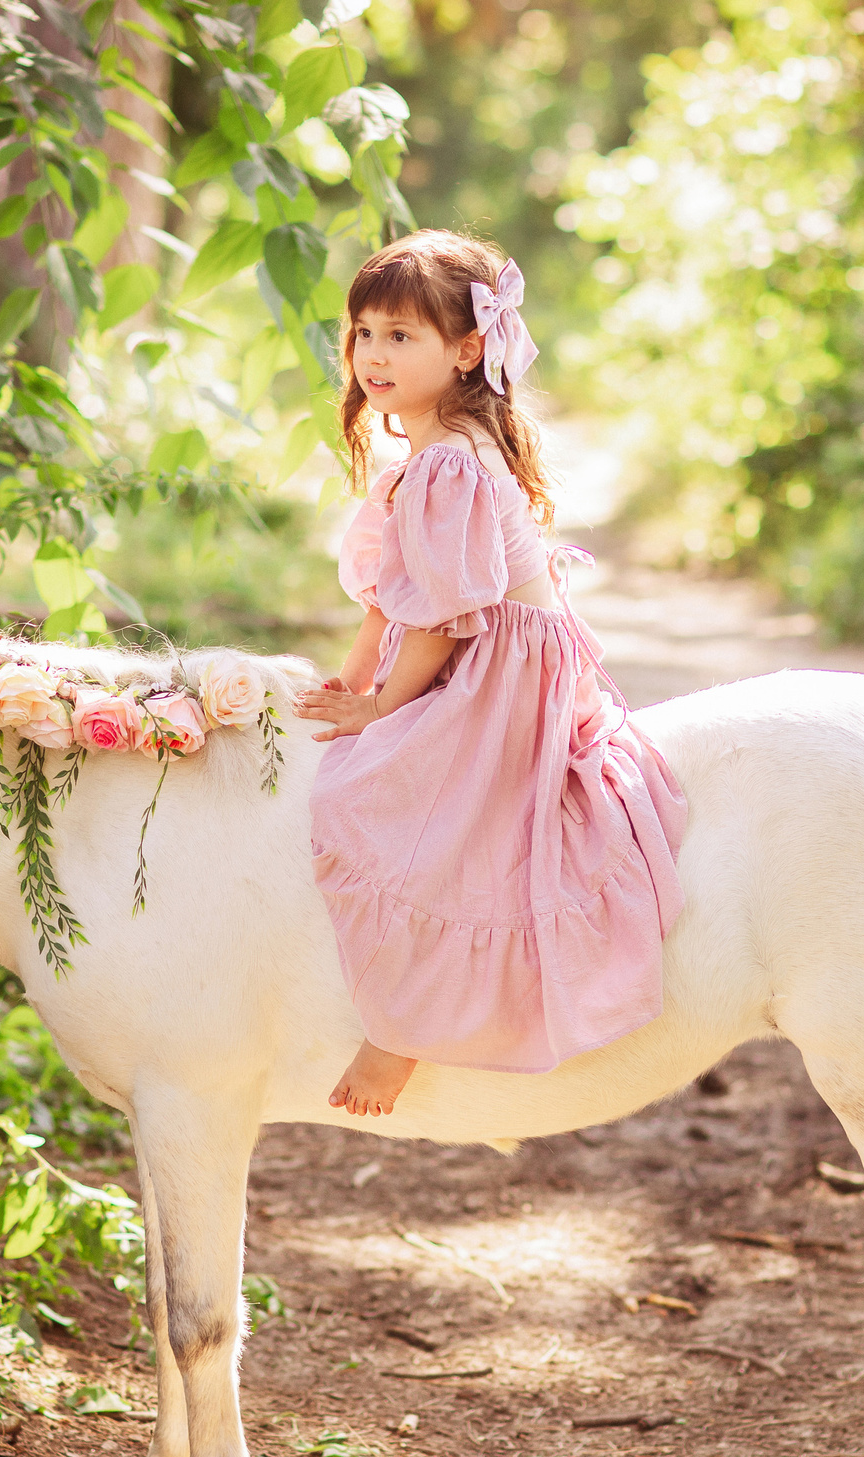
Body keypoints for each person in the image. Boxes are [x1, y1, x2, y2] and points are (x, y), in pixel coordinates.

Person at [294, 230, 689, 1117]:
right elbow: (392, 600)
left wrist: (379, 712)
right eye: (363, 333)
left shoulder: (449, 461)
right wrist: (351, 681)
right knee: (370, 761)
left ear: (469, 349)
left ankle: (400, 1032)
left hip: (500, 673)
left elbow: (438, 620)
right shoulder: (433, 450)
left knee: (415, 809)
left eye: (402, 336)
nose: (373, 355)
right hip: (482, 653)